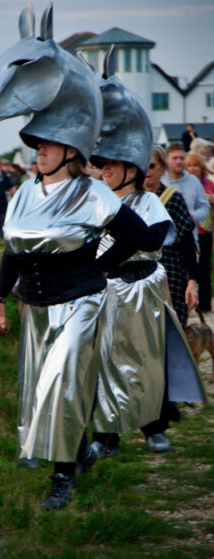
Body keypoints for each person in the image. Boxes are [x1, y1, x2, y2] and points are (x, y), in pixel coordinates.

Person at [0, 135, 152, 510]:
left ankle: (63, 480)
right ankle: (81, 452)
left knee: (62, 384)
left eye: (48, 145)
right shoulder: (25, 193)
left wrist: (103, 265)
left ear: (70, 151)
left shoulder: (92, 190)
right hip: (36, 303)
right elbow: (13, 251)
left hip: (81, 300)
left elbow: (137, 233)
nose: (40, 151)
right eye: (38, 146)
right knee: (43, 386)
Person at [89, 87, 206, 457]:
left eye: (112, 164)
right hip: (103, 289)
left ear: (131, 170)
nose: (104, 169)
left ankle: (153, 427)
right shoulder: (93, 204)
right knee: (103, 361)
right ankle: (106, 435)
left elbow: (154, 239)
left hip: (143, 287)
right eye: (102, 164)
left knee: (146, 360)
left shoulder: (149, 201)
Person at [144, 147, 198, 328]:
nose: (147, 171)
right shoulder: (129, 198)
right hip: (138, 277)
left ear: (162, 168)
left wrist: (192, 281)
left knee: (171, 331)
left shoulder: (173, 199)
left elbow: (187, 242)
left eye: (151, 166)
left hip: (170, 276)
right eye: (142, 165)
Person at [185, 152, 214, 312]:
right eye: (189, 166)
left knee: (204, 269)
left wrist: (211, 199)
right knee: (192, 270)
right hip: (191, 232)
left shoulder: (208, 183)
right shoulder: (187, 185)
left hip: (205, 231)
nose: (192, 168)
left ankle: (204, 305)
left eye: (195, 165)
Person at [161, 142, 209, 237]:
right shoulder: (160, 180)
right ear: (167, 160)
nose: (179, 161)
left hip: (189, 238)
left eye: (182, 158)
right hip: (164, 240)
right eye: (174, 158)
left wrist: (192, 216)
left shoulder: (194, 181)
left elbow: (204, 207)